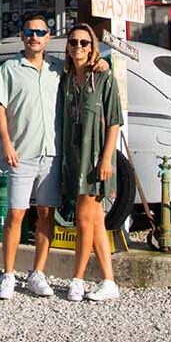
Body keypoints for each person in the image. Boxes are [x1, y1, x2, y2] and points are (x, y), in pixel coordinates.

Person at [0, 12, 64, 300]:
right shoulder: (7, 68)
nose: (35, 36)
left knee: (46, 213)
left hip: (52, 153)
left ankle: (38, 273)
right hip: (21, 152)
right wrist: (6, 143)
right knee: (16, 213)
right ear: (22, 35)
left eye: (40, 32)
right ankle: (8, 274)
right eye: (29, 32)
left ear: (48, 37)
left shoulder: (58, 69)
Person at [59, 22, 124, 303]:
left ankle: (77, 278)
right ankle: (109, 281)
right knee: (95, 221)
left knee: (84, 220)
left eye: (84, 43)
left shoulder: (103, 77)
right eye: (73, 42)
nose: (78, 47)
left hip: (96, 156)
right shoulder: (65, 77)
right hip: (73, 156)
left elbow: (114, 121)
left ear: (93, 46)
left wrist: (107, 157)